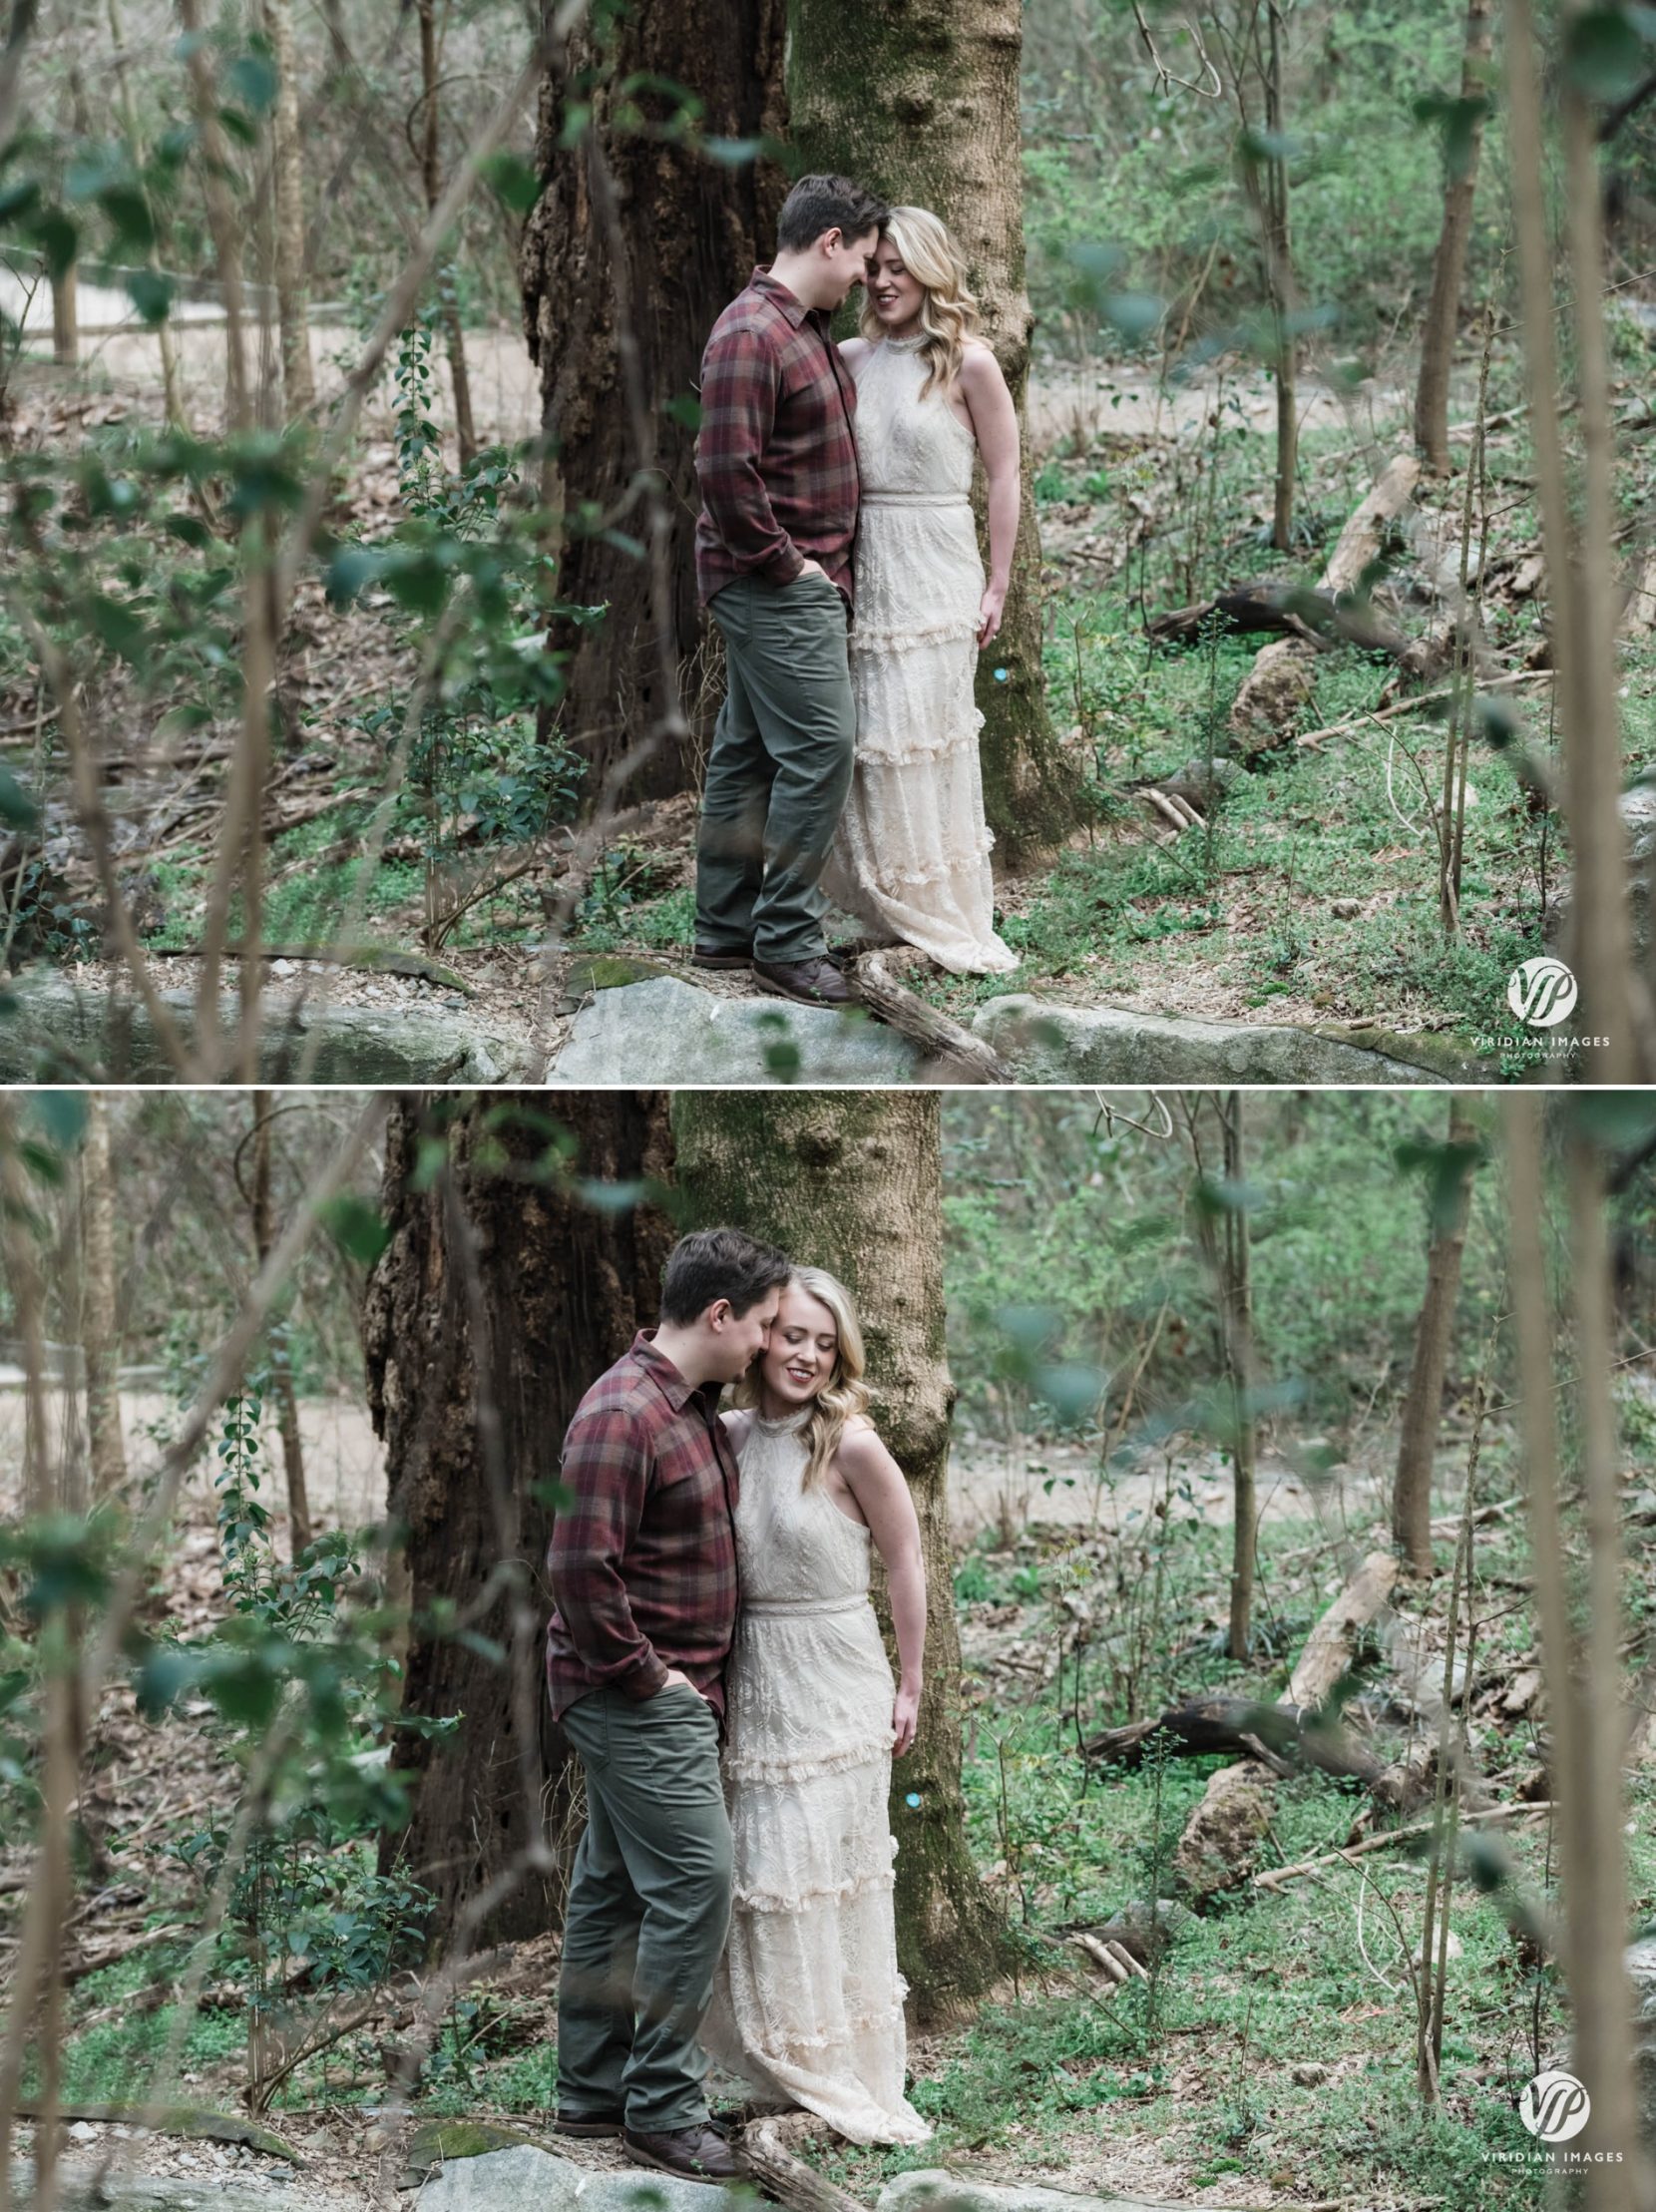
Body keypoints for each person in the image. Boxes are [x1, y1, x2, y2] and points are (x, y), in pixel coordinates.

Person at [545, 1226, 791, 2182]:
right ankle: (662, 2108)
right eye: (764, 1325)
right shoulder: (622, 1412)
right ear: (720, 1314)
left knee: (610, 1889)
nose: (770, 1344)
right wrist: (651, 1678)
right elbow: (578, 1568)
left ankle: (592, 2090)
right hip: (634, 1695)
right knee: (697, 1884)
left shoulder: (684, 1405)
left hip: (652, 1691)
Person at [702, 1267, 932, 2145]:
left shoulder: (853, 1443)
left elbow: (906, 1559)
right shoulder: (723, 1435)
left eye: (824, 1341)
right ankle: (775, 2063)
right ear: (761, 1339)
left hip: (836, 1678)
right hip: (754, 1675)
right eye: (793, 1334)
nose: (806, 1353)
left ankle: (840, 2071)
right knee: (764, 1879)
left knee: (825, 1879)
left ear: (841, 1354)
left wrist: (911, 1682)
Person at [691, 173, 889, 1010]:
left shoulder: (802, 328)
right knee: (820, 751)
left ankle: (726, 931)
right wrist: (786, 565)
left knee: (747, 749)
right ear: (830, 241)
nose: (867, 279)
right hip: (773, 581)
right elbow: (722, 472)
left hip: (790, 578)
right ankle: (786, 945)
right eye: (863, 259)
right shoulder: (750, 333)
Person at [823, 206, 1021, 975]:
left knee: (924, 736)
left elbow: (1005, 474)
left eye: (899, 267)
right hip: (865, 564)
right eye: (874, 267)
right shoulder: (848, 359)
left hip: (937, 567)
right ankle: (885, 905)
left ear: (932, 270)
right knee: (871, 741)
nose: (882, 281)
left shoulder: (970, 362)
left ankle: (941, 911)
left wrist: (998, 581)